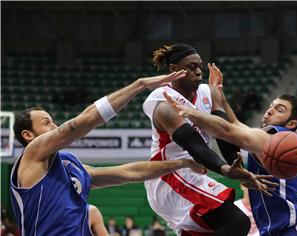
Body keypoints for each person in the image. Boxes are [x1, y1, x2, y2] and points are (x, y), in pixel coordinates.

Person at [9, 71, 207, 236]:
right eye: (46, 123)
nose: (54, 125)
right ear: (28, 135)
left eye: (53, 121)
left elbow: (129, 172)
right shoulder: (31, 154)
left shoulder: (68, 164)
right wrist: (139, 85)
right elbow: (82, 122)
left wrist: (182, 163)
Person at [164, 63, 297, 235]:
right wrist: (218, 95)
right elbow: (235, 124)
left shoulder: (274, 138)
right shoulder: (274, 141)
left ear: (291, 124)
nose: (269, 111)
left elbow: (226, 131)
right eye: (271, 106)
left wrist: (190, 112)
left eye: (279, 110)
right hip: (277, 230)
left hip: (292, 231)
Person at [142, 43, 277, 236]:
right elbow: (193, 143)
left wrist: (237, 168)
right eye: (191, 67)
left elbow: (224, 133)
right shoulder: (163, 102)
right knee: (237, 222)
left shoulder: (209, 92)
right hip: (169, 175)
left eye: (199, 66)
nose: (198, 72)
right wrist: (225, 170)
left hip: (193, 172)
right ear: (174, 70)